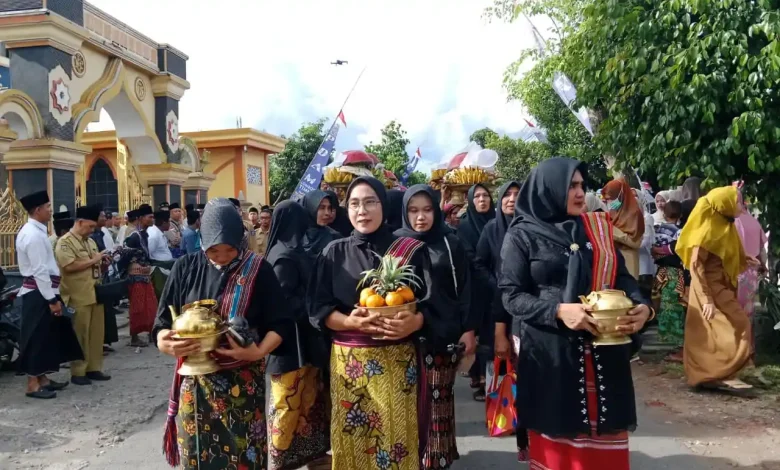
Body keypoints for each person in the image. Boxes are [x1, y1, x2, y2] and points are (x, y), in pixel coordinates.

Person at [499, 158, 651, 470]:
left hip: (604, 356)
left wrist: (642, 306)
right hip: (551, 355)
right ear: (549, 189)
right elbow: (511, 296)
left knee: (604, 444)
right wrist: (556, 311)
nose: (580, 193)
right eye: (572, 186)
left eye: (582, 185)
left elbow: (621, 278)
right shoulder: (522, 235)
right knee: (560, 448)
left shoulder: (597, 228)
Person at [155, 198, 293, 469]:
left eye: (229, 250)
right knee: (198, 454)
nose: (220, 257)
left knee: (243, 454)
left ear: (240, 241)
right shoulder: (185, 268)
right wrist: (164, 342)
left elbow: (282, 323)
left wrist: (258, 350)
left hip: (242, 381)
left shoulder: (258, 270)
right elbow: (161, 323)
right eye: (213, 250)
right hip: (194, 384)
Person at [307, 176, 432, 470]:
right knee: (353, 439)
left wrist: (414, 323)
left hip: (399, 364)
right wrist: (350, 322)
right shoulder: (333, 252)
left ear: (384, 205)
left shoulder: (411, 250)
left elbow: (435, 304)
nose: (362, 210)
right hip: (350, 366)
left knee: (397, 439)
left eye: (369, 202)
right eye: (354, 204)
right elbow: (317, 309)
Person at [395, 185, 476, 470]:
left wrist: (468, 329)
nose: (421, 217)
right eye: (413, 211)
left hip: (443, 335)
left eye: (427, 210)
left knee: (438, 402)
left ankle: (438, 460)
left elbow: (465, 288)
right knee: (408, 408)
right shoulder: (396, 245)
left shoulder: (450, 242)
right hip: (403, 341)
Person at [264, 200, 331, 470]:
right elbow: (282, 303)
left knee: (307, 402)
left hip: (305, 342)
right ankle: (279, 460)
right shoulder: (283, 257)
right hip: (290, 346)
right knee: (286, 405)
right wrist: (314, 307)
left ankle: (309, 455)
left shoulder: (292, 251)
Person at [676, 186, 754, 394]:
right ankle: (717, 373)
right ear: (725, 205)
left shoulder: (723, 225)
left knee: (715, 332)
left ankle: (715, 374)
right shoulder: (708, 230)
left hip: (720, 285)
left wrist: (745, 259)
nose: (741, 206)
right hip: (708, 288)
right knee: (733, 325)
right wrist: (707, 299)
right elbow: (696, 266)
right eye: (737, 202)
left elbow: (723, 254)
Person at [16, 190, 82, 399]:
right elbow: (39, 271)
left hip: (45, 291)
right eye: (47, 209)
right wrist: (51, 299)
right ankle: (33, 384)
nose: (50, 212)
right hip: (38, 293)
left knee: (47, 338)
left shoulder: (38, 231)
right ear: (37, 210)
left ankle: (43, 378)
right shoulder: (32, 235)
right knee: (36, 339)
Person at [474, 181, 520, 404]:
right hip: (495, 303)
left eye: (517, 194)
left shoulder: (529, 227)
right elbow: (479, 263)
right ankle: (501, 409)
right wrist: (496, 284)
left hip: (523, 305)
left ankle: (524, 412)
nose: (511, 199)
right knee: (498, 355)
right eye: (507, 195)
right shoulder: (491, 229)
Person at [55, 205, 112, 385]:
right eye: (90, 226)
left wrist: (103, 263)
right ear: (79, 223)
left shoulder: (90, 241)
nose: (92, 230)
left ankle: (94, 368)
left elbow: (94, 265)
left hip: (95, 292)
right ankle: (78, 372)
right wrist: (94, 260)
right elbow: (69, 266)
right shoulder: (65, 242)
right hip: (77, 295)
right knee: (81, 334)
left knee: (96, 334)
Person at [652, 201, 687, 358]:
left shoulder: (657, 229)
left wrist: (658, 252)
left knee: (664, 303)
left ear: (664, 214)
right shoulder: (680, 232)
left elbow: (653, 250)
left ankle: (664, 336)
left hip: (661, 272)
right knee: (675, 304)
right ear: (680, 215)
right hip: (675, 272)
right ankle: (675, 340)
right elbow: (679, 251)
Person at [124, 204, 157, 347]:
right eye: (149, 217)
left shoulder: (145, 234)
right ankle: (134, 337)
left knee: (151, 305)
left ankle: (151, 333)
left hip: (145, 275)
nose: (152, 219)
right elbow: (124, 257)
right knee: (137, 307)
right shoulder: (133, 237)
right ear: (140, 218)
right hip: (135, 277)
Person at [602, 178, 645, 279]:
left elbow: (636, 243)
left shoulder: (634, 214)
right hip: (613, 262)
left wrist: (613, 232)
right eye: (607, 199)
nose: (609, 202)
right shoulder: (612, 213)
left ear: (620, 196)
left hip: (628, 263)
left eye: (611, 198)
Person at [735, 196, 767, 329]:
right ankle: (748, 344)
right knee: (748, 310)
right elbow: (762, 250)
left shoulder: (730, 221)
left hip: (733, 269)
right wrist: (763, 266)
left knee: (732, 309)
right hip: (751, 271)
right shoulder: (753, 221)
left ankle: (734, 344)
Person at [457, 184, 495, 259]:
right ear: (471, 200)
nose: (482, 199)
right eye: (477, 196)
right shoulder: (464, 226)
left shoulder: (499, 220)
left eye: (485, 195)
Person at [301, 190, 342, 256]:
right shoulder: (293, 238)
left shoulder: (335, 239)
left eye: (329, 208)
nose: (328, 213)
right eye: (322, 208)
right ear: (309, 208)